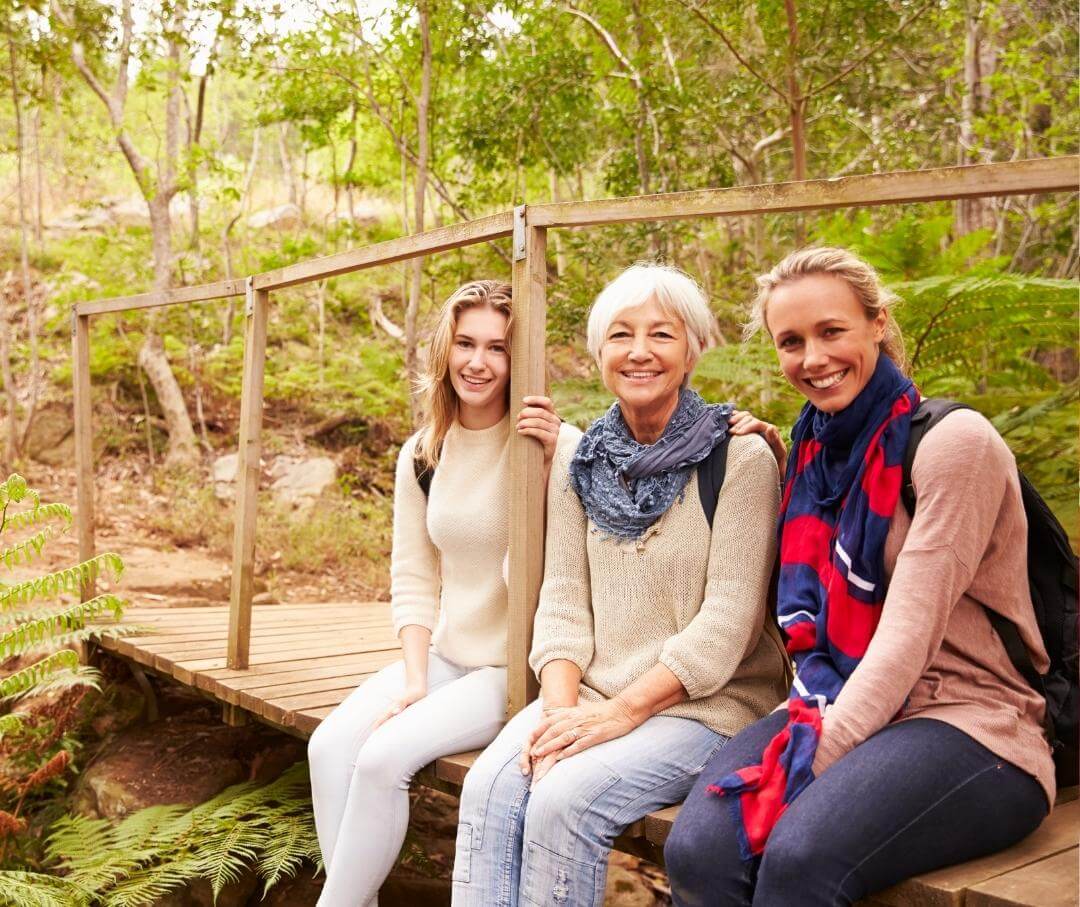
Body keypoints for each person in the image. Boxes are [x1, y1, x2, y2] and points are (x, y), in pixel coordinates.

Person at [664, 247, 1055, 907]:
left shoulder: (956, 445)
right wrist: (777, 462)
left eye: (831, 331)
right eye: (791, 341)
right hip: (829, 697)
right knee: (697, 849)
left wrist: (807, 765)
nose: (812, 358)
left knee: (798, 856)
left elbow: (908, 635)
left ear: (877, 324)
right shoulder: (817, 452)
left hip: (973, 723)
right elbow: (794, 603)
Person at [451, 262, 789, 907]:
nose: (639, 352)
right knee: (491, 787)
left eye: (661, 335)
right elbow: (562, 603)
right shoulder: (582, 461)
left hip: (707, 707)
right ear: (599, 351)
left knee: (563, 802)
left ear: (693, 350)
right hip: (589, 696)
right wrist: (559, 712)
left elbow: (727, 625)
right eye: (620, 335)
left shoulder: (739, 457)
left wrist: (619, 714)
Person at [308, 280, 571, 907]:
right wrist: (415, 678)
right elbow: (414, 577)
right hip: (450, 654)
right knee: (330, 747)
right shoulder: (423, 454)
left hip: (515, 669)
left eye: (497, 348)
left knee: (381, 761)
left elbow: (542, 576)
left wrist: (542, 471)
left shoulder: (553, 445)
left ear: (519, 359)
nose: (478, 362)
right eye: (465, 343)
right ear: (444, 350)